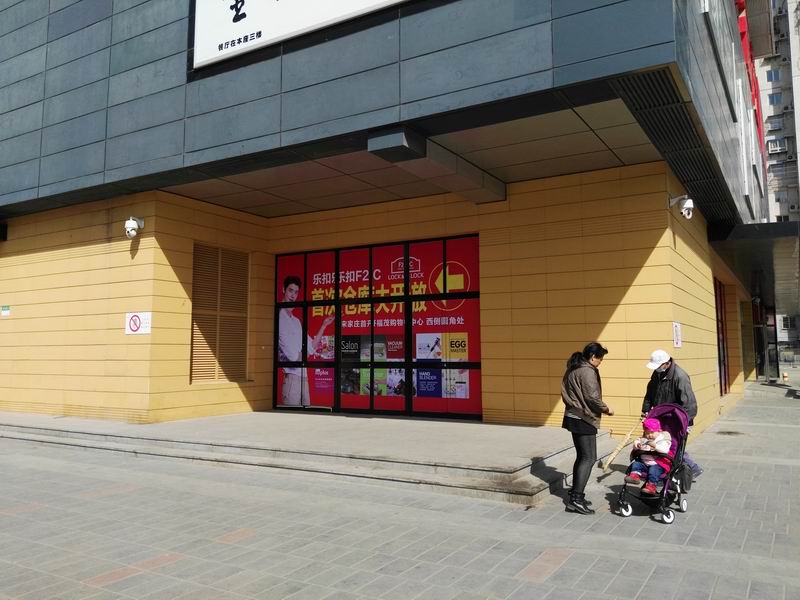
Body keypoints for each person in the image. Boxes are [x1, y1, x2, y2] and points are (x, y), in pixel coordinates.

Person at [561, 342, 614, 515]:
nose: (600, 362)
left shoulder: (573, 368)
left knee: (582, 456)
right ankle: (576, 499)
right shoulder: (587, 371)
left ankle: (575, 494)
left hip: (573, 415)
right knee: (589, 458)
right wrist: (606, 409)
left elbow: (565, 392)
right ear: (592, 357)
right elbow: (592, 397)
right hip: (583, 417)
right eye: (600, 359)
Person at [642, 349, 703, 478]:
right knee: (666, 444)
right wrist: (645, 410)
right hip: (662, 416)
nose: (656, 369)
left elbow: (689, 403)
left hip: (678, 418)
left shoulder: (680, 376)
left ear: (666, 363)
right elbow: (650, 393)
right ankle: (664, 471)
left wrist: (686, 423)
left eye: (658, 366)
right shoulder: (657, 373)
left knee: (673, 445)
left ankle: (692, 468)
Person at [278, 276, 334, 406]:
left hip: (303, 376)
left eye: (296, 292)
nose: (293, 295)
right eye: (290, 290)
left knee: (306, 413)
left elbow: (311, 346)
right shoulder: (280, 318)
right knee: (293, 416)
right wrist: (306, 352)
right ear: (283, 290)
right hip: (292, 379)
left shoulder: (296, 321)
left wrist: (324, 326)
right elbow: (294, 358)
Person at [625, 417, 673, 495]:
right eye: (647, 433)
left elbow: (665, 450)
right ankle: (634, 476)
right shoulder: (644, 439)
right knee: (636, 464)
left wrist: (655, 446)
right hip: (644, 462)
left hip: (657, 463)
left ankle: (651, 486)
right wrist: (637, 445)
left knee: (653, 471)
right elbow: (636, 442)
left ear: (658, 431)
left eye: (652, 432)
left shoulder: (662, 440)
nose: (649, 435)